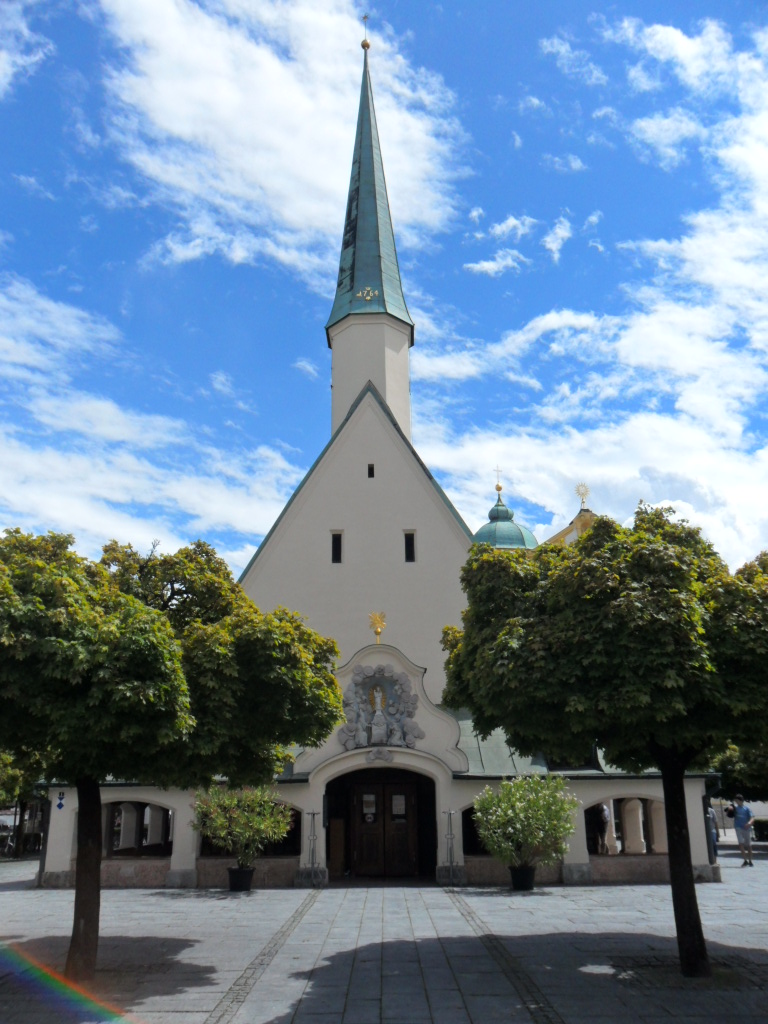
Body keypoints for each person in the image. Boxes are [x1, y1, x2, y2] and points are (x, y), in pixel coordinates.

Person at [731, 794, 755, 867]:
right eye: (735, 801)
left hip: (746, 828)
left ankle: (750, 860)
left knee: (748, 845)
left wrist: (749, 823)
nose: (736, 802)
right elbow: (729, 814)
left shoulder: (747, 808)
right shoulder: (735, 808)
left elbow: (752, 817)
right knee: (740, 843)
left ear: (740, 800)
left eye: (737, 800)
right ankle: (745, 860)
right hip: (738, 827)